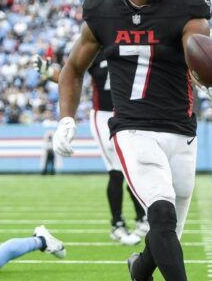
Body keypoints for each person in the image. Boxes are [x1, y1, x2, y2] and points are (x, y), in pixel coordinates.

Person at [51, 0, 212, 281]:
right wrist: (66, 117)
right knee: (162, 217)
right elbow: (72, 68)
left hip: (181, 131)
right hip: (133, 130)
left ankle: (139, 273)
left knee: (166, 233)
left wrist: (202, 64)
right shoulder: (102, 9)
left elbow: (195, 40)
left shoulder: (187, 4)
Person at [33, 54, 146, 245]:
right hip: (103, 115)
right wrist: (47, 71)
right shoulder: (98, 46)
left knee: (134, 168)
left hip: (130, 112)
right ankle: (117, 224)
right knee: (117, 171)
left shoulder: (130, 41)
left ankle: (142, 217)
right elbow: (70, 73)